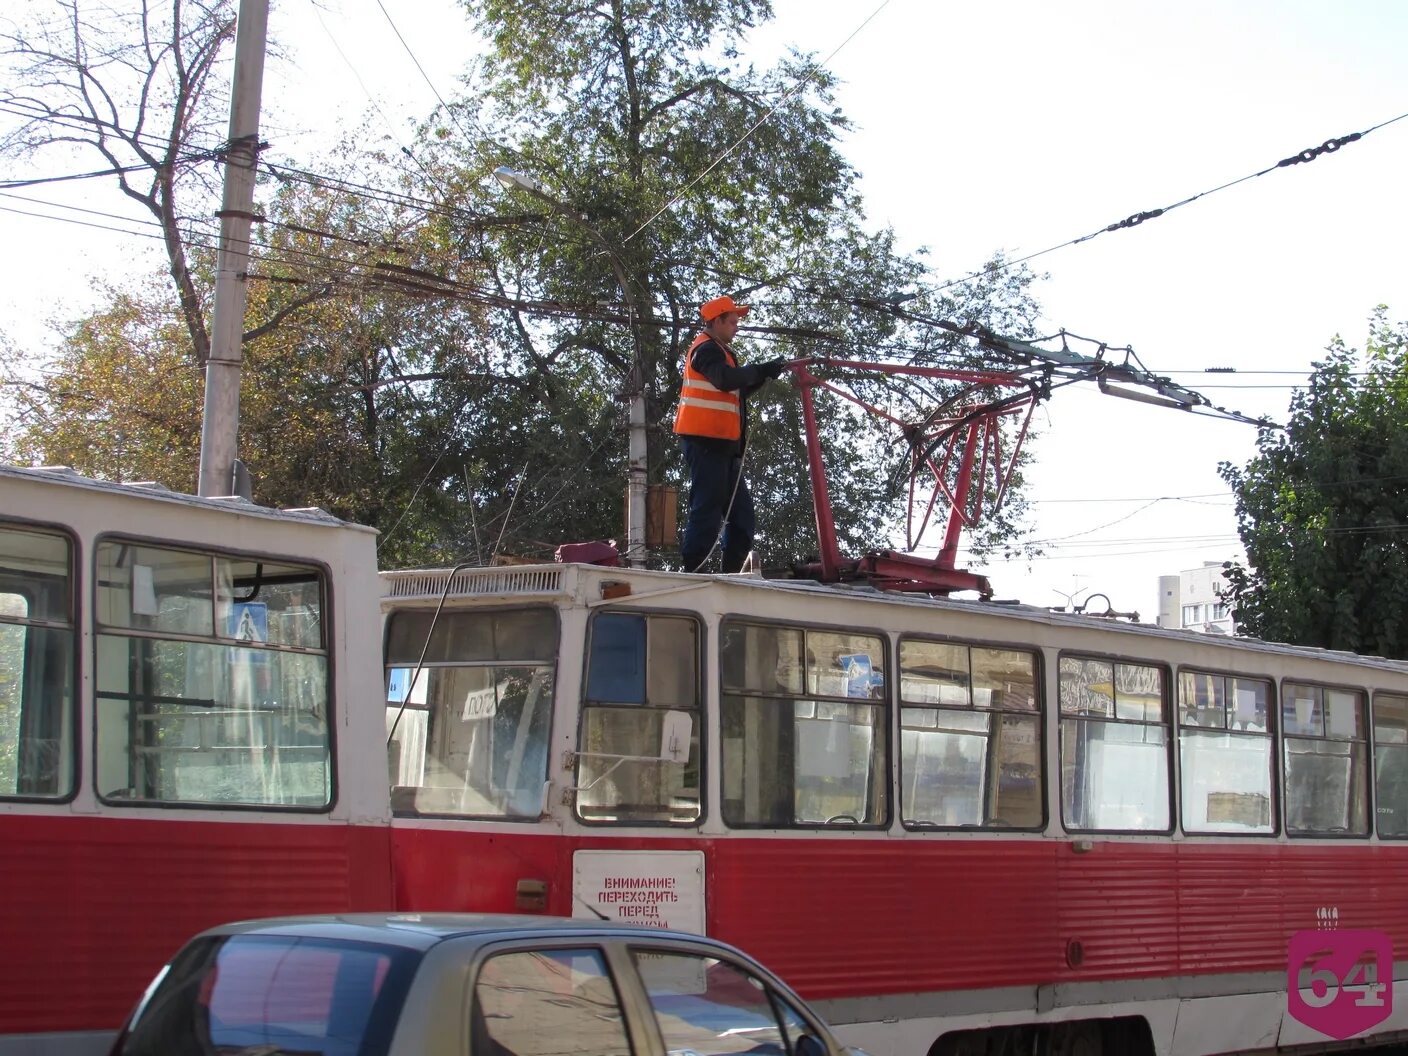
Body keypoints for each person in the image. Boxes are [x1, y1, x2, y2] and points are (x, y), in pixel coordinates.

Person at [673, 295, 786, 573]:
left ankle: (731, 575)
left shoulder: (720, 352)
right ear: (717, 321)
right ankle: (693, 571)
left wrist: (764, 374)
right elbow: (725, 380)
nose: (737, 327)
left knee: (742, 518)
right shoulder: (706, 350)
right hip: (705, 442)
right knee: (707, 509)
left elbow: (735, 389)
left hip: (724, 447)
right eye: (733, 321)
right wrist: (760, 369)